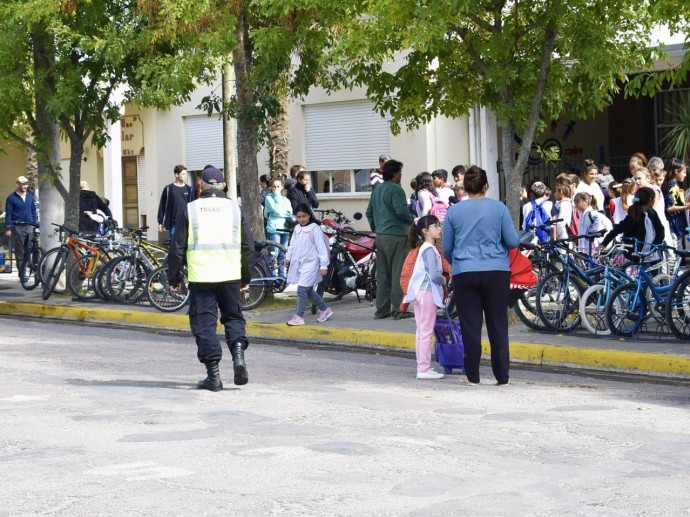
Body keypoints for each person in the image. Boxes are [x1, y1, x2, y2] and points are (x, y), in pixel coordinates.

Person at [167, 166, 254, 391]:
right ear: (224, 185)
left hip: (202, 277)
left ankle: (213, 377)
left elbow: (177, 248)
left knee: (204, 324)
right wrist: (246, 276)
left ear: (201, 185)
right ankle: (238, 357)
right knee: (234, 318)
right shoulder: (236, 209)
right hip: (230, 275)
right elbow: (247, 247)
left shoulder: (191, 209)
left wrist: (173, 277)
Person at [442, 165, 520, 386]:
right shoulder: (499, 209)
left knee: (470, 324)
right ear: (486, 185)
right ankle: (502, 376)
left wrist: (456, 260)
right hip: (496, 271)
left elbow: (447, 247)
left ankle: (472, 376)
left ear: (465, 188)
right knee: (497, 323)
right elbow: (513, 241)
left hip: (464, 272)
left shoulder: (454, 211)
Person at [366, 159, 415, 320]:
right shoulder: (396, 190)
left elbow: (369, 212)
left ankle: (381, 310)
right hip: (397, 236)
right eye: (400, 172)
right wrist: (413, 220)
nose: (401, 175)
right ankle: (399, 309)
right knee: (398, 274)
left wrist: (376, 228)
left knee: (383, 275)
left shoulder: (377, 189)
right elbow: (401, 212)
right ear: (395, 174)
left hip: (380, 236)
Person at [402, 215, 447, 380]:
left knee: (421, 331)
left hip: (420, 293)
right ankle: (423, 368)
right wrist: (446, 281)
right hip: (428, 292)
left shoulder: (423, 248)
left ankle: (423, 366)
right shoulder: (429, 249)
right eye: (435, 226)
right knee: (426, 332)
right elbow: (435, 274)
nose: (439, 229)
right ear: (425, 231)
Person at [285, 203, 332, 326]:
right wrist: (288, 257)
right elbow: (292, 244)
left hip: (312, 264)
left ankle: (299, 316)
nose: (302, 219)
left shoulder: (315, 229)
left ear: (309, 215)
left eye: (304, 216)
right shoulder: (297, 229)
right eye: (299, 217)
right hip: (300, 264)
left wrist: (323, 265)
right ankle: (325, 310)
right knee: (308, 290)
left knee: (301, 290)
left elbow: (321, 248)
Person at [601, 186, 664, 261]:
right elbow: (617, 229)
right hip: (637, 254)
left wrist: (656, 245)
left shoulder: (652, 213)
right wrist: (604, 243)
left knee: (653, 272)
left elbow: (660, 229)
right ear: (650, 200)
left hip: (652, 254)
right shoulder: (634, 216)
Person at [4, 175, 38, 282]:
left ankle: (28, 270)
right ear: (17, 184)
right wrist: (8, 228)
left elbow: (33, 210)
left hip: (29, 226)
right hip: (17, 227)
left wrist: (35, 223)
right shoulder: (11, 198)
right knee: (20, 252)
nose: (25, 186)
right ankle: (22, 274)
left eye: (26, 184)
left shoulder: (29, 196)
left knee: (29, 250)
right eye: (22, 184)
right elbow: (8, 214)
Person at [263, 177, 293, 277]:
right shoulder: (269, 198)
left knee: (283, 253)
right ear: (271, 187)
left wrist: (278, 213)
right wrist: (276, 196)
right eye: (274, 186)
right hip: (274, 228)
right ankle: (272, 276)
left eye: (278, 186)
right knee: (273, 252)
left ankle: (281, 276)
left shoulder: (286, 199)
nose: (276, 188)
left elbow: (290, 212)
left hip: (285, 228)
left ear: (282, 187)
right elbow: (276, 210)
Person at [157, 165, 195, 239]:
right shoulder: (168, 189)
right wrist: (160, 222)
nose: (185, 176)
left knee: (185, 244)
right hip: (173, 223)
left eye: (186, 174)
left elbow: (192, 206)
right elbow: (162, 206)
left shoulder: (189, 189)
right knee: (174, 245)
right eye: (183, 174)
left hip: (186, 222)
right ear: (176, 175)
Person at [663, 158, 690, 244]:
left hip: (677, 223)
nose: (685, 175)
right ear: (676, 171)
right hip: (673, 224)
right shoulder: (672, 186)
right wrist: (686, 207)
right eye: (684, 172)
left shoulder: (674, 185)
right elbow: (669, 208)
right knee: (676, 247)